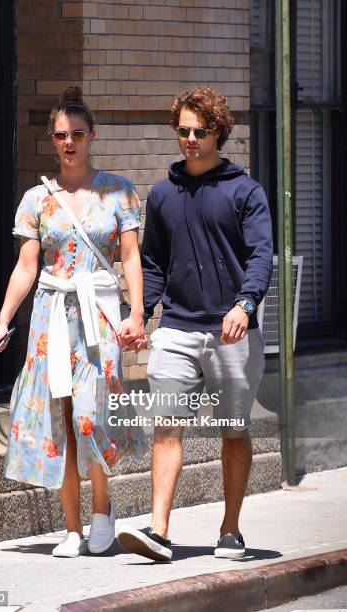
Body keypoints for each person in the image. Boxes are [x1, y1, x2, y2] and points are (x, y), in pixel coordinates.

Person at [0, 86, 147, 558]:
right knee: (60, 422)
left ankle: (103, 511)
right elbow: (26, 266)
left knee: (89, 415)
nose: (70, 142)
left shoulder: (118, 191)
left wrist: (136, 314)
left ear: (91, 135)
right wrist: (3, 321)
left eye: (77, 134)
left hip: (100, 316)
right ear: (53, 140)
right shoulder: (37, 198)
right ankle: (72, 528)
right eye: (61, 135)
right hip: (52, 317)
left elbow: (132, 257)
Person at [117, 87, 273, 562]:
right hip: (178, 329)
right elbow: (154, 264)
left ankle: (230, 530)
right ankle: (159, 530)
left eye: (198, 131)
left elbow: (260, 256)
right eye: (182, 130)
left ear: (217, 133)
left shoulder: (245, 191)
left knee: (232, 429)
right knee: (167, 425)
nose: (188, 138)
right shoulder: (163, 195)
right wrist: (140, 314)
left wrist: (245, 305)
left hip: (232, 332)